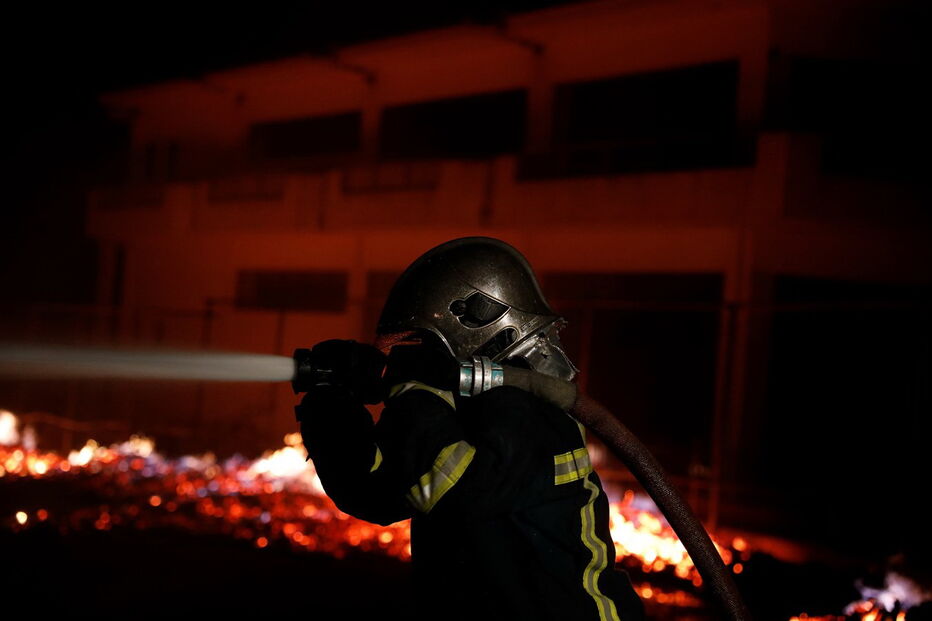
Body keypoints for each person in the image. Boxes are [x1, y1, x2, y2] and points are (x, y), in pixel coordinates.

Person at [295, 237, 644, 620]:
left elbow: (458, 490)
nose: (400, 357)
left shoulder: (532, 410)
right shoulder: (453, 408)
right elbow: (375, 492)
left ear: (473, 324)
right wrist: (330, 405)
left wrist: (410, 383)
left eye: (414, 343)